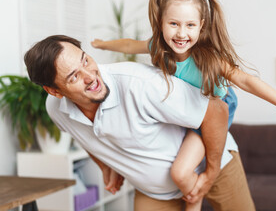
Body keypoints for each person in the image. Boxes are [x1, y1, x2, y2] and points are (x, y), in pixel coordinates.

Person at [91, 0, 276, 211]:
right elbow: (130, 45)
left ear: (201, 26)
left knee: (181, 173)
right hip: (185, 111)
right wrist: (103, 44)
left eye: (190, 25)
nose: (181, 33)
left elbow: (246, 80)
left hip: (214, 112)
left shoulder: (208, 58)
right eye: (173, 23)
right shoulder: (158, 47)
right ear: (160, 22)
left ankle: (194, 203)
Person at [24, 34, 256, 211]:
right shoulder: (56, 109)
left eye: (85, 60)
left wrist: (211, 174)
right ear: (54, 91)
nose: (90, 76)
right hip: (154, 192)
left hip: (214, 165)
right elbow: (83, 135)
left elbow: (217, 110)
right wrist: (106, 165)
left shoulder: (140, 84)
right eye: (74, 76)